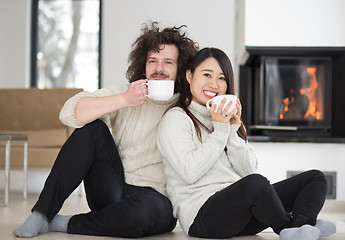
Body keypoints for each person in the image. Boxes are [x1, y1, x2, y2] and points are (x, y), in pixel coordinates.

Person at [13, 21, 198, 238]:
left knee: (143, 214)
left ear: (180, 69)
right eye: (153, 61)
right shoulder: (126, 93)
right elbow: (69, 113)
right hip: (113, 188)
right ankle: (42, 214)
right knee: (90, 128)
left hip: (155, 200)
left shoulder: (187, 106)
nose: (159, 69)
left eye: (168, 62)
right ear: (144, 64)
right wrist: (124, 99)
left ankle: (64, 223)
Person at [157, 47, 336, 240]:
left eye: (222, 78)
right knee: (256, 184)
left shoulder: (224, 118)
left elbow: (248, 171)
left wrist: (232, 133)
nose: (214, 84)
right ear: (190, 76)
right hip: (202, 218)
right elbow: (189, 172)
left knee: (315, 178)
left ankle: (303, 225)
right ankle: (291, 228)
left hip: (241, 212)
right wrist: (220, 130)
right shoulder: (176, 118)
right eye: (207, 75)